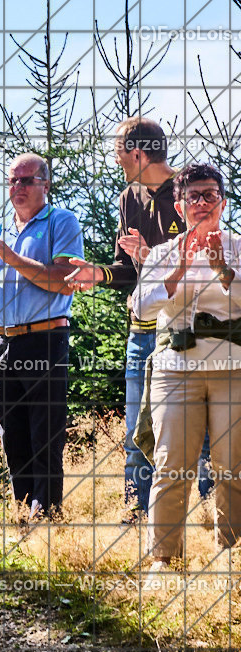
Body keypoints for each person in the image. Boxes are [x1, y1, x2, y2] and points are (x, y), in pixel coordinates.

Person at [67, 117, 213, 524]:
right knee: (137, 433)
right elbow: (128, 271)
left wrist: (153, 257)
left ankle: (206, 515)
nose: (117, 162)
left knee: (197, 435)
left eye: (118, 154)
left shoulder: (191, 191)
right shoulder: (128, 197)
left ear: (136, 152)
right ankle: (138, 511)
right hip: (139, 333)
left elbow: (203, 263)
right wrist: (99, 274)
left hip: (185, 333)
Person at [0, 153, 84, 519]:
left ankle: (47, 514)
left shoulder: (62, 221)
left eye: (27, 181)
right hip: (1, 341)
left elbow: (63, 283)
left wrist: (10, 256)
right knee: (11, 433)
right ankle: (23, 509)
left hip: (44, 339)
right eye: (13, 181)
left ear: (45, 185)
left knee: (44, 434)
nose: (18, 188)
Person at [133, 162, 241, 571]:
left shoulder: (239, 246)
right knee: (171, 464)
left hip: (234, 370)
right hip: (175, 371)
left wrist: (221, 268)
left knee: (234, 464)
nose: (201, 203)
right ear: (179, 207)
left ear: (223, 202)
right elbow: (141, 309)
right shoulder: (162, 254)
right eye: (192, 196)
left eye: (209, 195)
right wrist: (178, 271)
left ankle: (231, 554)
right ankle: (165, 559)